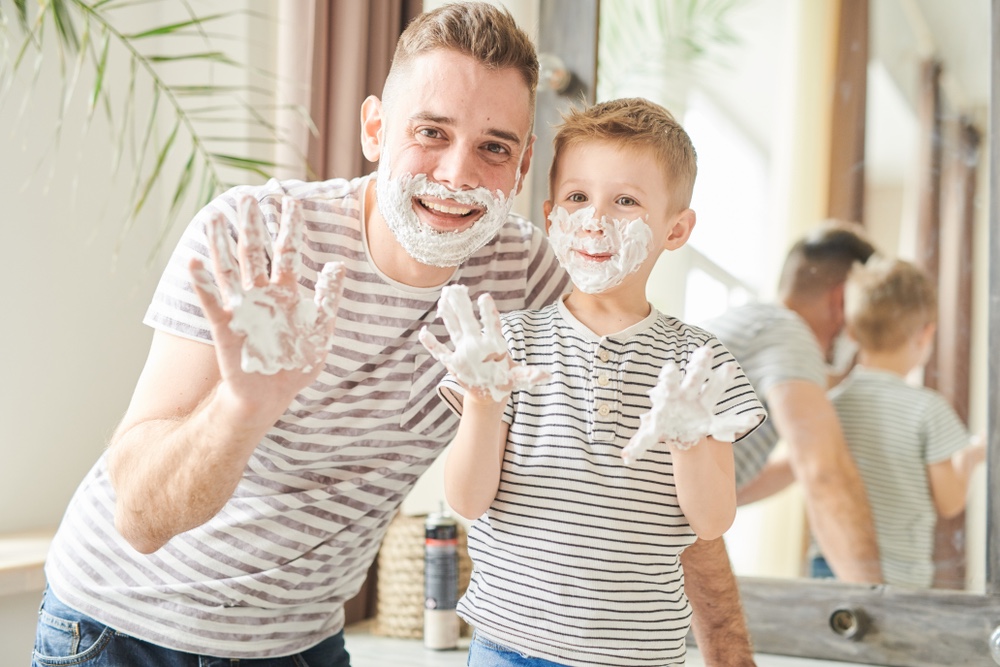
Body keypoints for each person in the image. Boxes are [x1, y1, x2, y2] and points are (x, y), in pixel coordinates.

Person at [33, 4, 760, 666]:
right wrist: (243, 406)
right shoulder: (254, 235)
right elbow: (139, 515)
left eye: (493, 148)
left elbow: (652, 488)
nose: (455, 174)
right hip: (117, 631)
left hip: (301, 641)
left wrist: (730, 654)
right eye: (431, 133)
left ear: (524, 165)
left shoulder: (531, 277)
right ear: (375, 127)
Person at [420, 98, 766, 667]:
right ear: (552, 212)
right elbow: (467, 500)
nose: (595, 219)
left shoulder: (700, 363)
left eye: (625, 201)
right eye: (579, 198)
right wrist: (483, 404)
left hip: (637, 656)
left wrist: (686, 441)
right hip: (506, 647)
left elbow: (712, 520)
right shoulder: (504, 344)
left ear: (676, 229)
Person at [705, 222, 885, 584]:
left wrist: (815, 448)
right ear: (841, 301)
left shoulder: (753, 324)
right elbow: (824, 475)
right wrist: (876, 605)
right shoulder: (789, 332)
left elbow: (721, 493)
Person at [807, 256, 985, 587]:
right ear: (926, 334)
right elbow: (950, 501)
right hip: (900, 577)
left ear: (852, 331)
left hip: (831, 566)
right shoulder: (928, 409)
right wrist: (973, 456)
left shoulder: (828, 406)